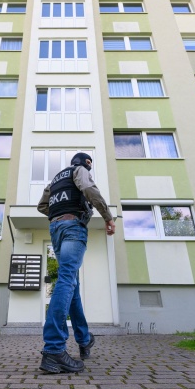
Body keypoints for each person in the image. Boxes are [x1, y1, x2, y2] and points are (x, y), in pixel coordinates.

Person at [37, 152, 115, 374]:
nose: (89, 167)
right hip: (72, 228)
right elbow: (91, 190)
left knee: (72, 285)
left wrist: (59, 213)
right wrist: (108, 217)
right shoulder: (79, 171)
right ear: (86, 163)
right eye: (89, 164)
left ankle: (83, 339)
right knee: (67, 280)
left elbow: (42, 207)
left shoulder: (55, 179)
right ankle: (53, 348)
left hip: (56, 229)